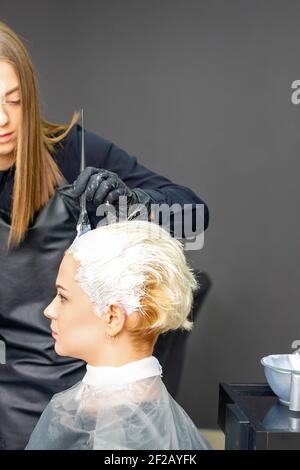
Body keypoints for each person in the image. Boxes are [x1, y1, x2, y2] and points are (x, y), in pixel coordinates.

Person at [0, 20, 209, 449]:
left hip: (94, 403)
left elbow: (194, 215)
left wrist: (131, 203)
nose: (4, 119)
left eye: (15, 101)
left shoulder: (70, 151)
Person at [26, 220, 210, 450]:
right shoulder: (160, 419)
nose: (49, 310)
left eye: (63, 297)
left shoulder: (106, 426)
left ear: (112, 317)